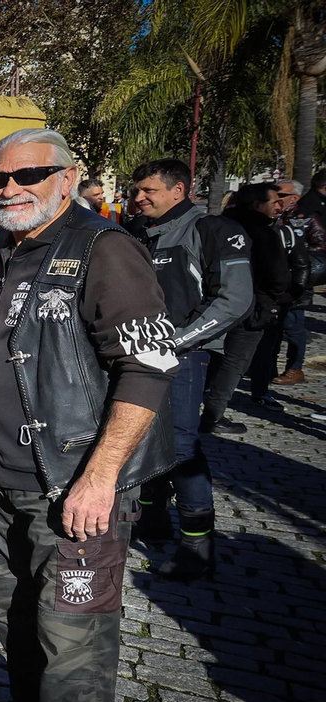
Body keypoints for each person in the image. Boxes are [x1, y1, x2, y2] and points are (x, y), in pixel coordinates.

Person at [0, 128, 177, 702]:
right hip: (4, 490)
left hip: (73, 494)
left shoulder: (102, 247)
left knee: (73, 647)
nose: (11, 187)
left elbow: (148, 368)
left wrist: (100, 476)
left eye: (30, 173)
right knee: (19, 628)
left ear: (68, 175)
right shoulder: (11, 251)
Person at [129, 159, 253, 581]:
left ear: (179, 190)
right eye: (136, 190)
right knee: (141, 439)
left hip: (184, 356)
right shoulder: (135, 232)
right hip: (137, 356)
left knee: (180, 447)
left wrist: (177, 342)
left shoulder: (214, 230)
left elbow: (235, 300)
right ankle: (151, 519)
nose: (138, 197)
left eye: (149, 190)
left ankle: (198, 545)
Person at [207, 184, 291, 425]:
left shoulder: (218, 227)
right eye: (274, 201)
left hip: (219, 301)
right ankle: (214, 415)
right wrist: (272, 299)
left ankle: (205, 404)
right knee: (234, 361)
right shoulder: (263, 233)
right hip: (250, 306)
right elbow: (278, 277)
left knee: (215, 355)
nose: (279, 206)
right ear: (256, 205)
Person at [272, 179, 311, 385]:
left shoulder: (304, 216)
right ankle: (268, 367)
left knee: (294, 328)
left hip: (296, 283)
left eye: (281, 195)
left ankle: (295, 368)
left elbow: (313, 251)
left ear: (294, 198)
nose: (277, 198)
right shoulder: (277, 216)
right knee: (275, 329)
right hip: (279, 284)